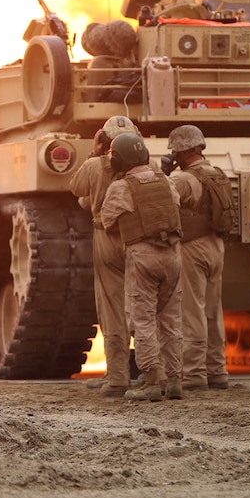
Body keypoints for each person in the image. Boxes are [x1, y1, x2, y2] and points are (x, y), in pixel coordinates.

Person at [100, 131, 184, 401]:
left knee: (143, 319)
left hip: (142, 255)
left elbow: (107, 220)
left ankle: (150, 380)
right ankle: (174, 381)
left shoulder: (121, 187)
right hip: (173, 254)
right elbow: (176, 204)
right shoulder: (165, 181)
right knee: (171, 320)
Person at [69, 115, 140, 397]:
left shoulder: (95, 165)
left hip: (106, 238)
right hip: (138, 238)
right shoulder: (148, 169)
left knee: (112, 307)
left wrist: (94, 153)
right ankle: (151, 372)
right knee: (144, 306)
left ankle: (118, 375)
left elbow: (75, 187)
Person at [164, 124, 229, 393]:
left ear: (183, 151)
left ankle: (193, 373)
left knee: (192, 311)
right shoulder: (218, 174)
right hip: (216, 246)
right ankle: (217, 369)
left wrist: (163, 173)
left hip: (192, 247)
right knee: (213, 311)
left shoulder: (183, 180)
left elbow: (159, 196)